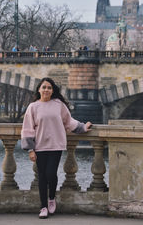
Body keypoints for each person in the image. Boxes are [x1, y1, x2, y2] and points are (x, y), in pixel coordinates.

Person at [21, 77, 92, 219]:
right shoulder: (33, 107)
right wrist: (30, 149)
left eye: (49, 87)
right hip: (40, 146)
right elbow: (27, 129)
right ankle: (43, 207)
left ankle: (51, 198)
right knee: (42, 177)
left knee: (51, 174)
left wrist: (83, 127)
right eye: (44, 87)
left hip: (56, 145)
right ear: (39, 90)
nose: (46, 90)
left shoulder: (58, 104)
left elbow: (69, 121)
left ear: (52, 90)